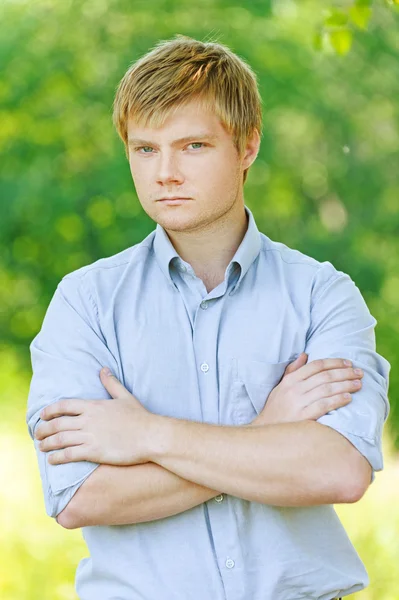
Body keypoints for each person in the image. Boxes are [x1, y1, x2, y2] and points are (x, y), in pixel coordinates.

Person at [26, 34, 390, 600]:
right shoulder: (85, 303)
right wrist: (267, 433)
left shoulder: (323, 295)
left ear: (247, 146)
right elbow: (81, 499)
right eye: (145, 149)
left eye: (192, 146)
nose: (165, 172)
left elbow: (337, 472)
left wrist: (146, 435)